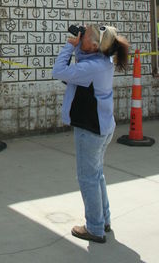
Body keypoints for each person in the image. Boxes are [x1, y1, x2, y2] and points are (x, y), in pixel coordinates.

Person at [52, 24, 129, 244]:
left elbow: (59, 72)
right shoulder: (102, 62)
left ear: (95, 46)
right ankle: (103, 219)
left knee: (87, 178)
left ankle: (94, 228)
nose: (81, 35)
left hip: (90, 129)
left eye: (85, 36)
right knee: (96, 175)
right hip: (103, 126)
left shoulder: (93, 67)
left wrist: (69, 46)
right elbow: (83, 64)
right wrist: (79, 45)